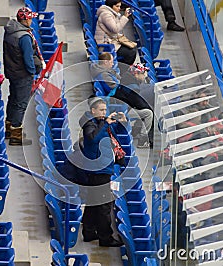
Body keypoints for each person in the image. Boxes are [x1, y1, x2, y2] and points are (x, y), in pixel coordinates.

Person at [78, 97, 125, 247]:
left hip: (101, 168)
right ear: (93, 111)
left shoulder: (100, 123)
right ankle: (106, 238)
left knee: (93, 203)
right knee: (104, 205)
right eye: (102, 110)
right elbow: (92, 139)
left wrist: (122, 122)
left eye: (106, 110)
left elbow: (111, 137)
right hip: (99, 170)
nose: (105, 113)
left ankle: (89, 232)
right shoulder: (89, 125)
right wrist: (105, 124)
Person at [91, 54, 153, 148]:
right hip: (120, 107)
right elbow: (117, 89)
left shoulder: (112, 74)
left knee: (145, 109)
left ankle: (136, 132)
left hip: (123, 104)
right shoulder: (104, 75)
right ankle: (143, 140)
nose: (113, 64)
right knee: (148, 113)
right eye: (111, 62)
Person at [3, 7, 44, 145]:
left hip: (13, 72)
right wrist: (33, 72)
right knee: (21, 104)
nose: (32, 20)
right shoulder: (24, 37)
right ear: (25, 19)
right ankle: (16, 135)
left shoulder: (10, 31)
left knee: (13, 99)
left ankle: (8, 128)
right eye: (30, 18)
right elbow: (28, 59)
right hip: (23, 74)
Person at [95, 0, 137, 66]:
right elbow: (115, 29)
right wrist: (125, 17)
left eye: (120, 6)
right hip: (106, 45)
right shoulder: (106, 15)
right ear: (111, 6)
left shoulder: (110, 13)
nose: (119, 8)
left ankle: (123, 68)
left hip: (111, 40)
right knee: (131, 52)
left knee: (132, 48)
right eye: (117, 6)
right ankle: (123, 70)